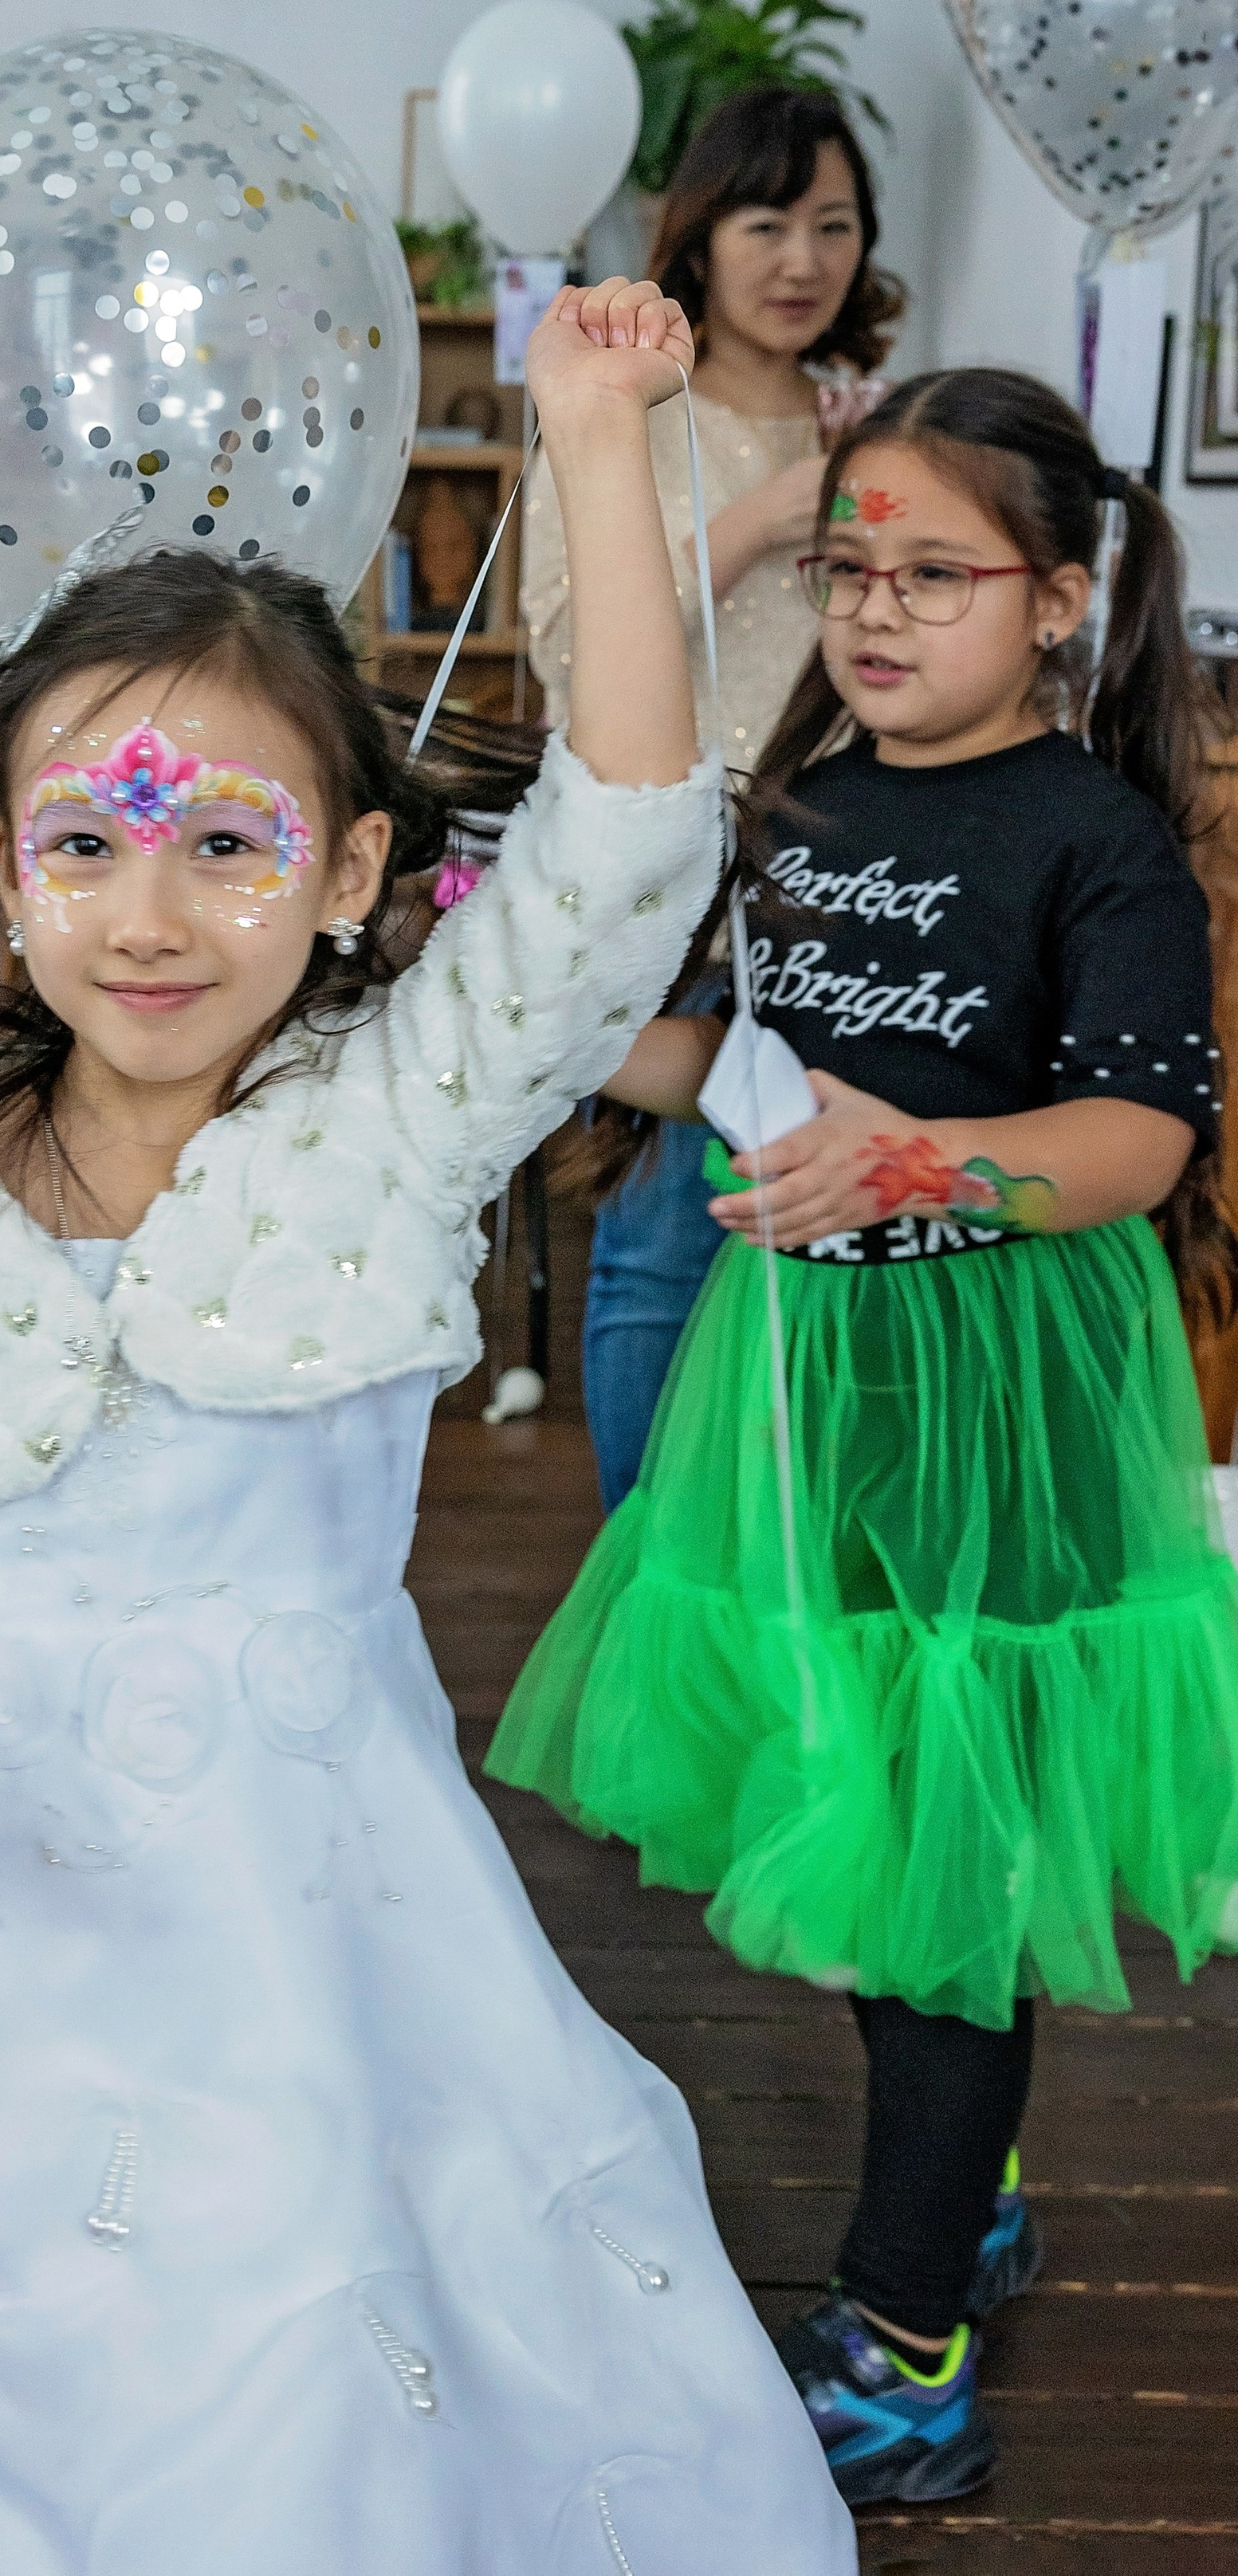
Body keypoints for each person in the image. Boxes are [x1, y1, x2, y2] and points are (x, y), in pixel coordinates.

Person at [0, 280, 854, 2575]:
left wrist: (588, 440)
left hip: (313, 1924)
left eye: (230, 846)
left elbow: (630, 839)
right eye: (89, 847)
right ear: (6, 868)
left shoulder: (396, 1114)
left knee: (291, 2361)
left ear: (348, 880)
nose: (154, 917)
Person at [489, 365, 1238, 2511]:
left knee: (951, 1865)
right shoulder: (810, 809)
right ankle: (964, 2184)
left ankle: (904, 2342)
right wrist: (514, 1010)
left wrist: (932, 1169)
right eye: (849, 571)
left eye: (938, 574)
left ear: (1065, 599)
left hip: (1004, 1385)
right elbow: (737, 1067)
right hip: (808, 1381)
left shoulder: (1096, 837)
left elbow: (1136, 1132)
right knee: (869, 1809)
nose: (880, 613)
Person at [523, 85, 906, 1510]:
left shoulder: (871, 418)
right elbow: (563, 640)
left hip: (853, 878)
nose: (803, 259)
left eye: (835, 224)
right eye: (767, 221)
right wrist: (760, 515)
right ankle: (645, 1576)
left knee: (820, 1242)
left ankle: (775, 1583)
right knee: (665, 1243)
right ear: (701, 233)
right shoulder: (625, 406)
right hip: (672, 879)